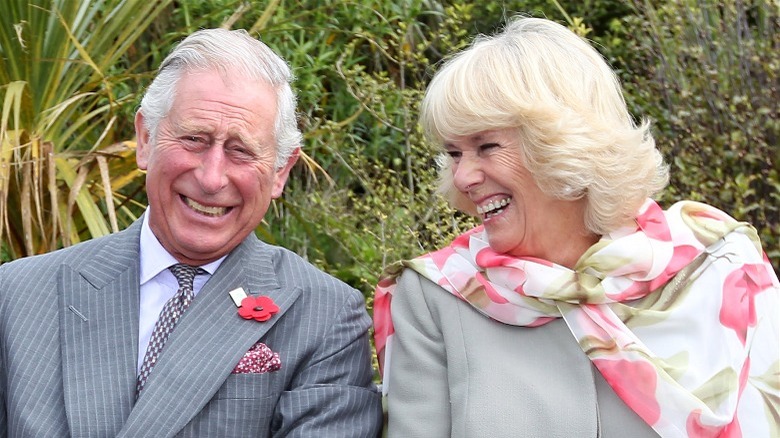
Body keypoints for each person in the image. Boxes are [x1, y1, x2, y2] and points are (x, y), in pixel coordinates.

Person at [373, 16, 779, 438]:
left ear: (564, 144)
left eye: (486, 146)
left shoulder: (721, 264)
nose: (463, 178)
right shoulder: (435, 295)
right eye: (455, 154)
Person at [0, 28, 382, 437]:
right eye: (193, 139)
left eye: (241, 150)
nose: (212, 177)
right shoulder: (18, 295)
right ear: (145, 139)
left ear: (281, 171)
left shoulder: (325, 317)